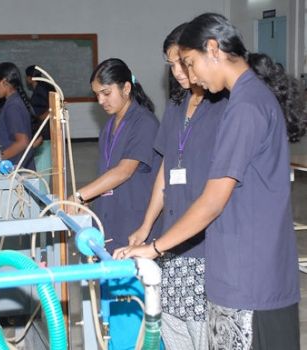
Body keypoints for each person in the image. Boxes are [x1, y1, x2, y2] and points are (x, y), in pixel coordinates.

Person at [115, 13, 305, 350]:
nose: (189, 74)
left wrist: (155, 246)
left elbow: (213, 199)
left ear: (213, 50)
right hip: (238, 269)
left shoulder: (243, 107)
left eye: (189, 63)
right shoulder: (247, 100)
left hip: (249, 278)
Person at [124, 23, 228, 350]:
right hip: (172, 241)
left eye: (183, 62)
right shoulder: (175, 107)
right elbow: (166, 172)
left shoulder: (223, 106)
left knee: (206, 335)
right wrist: (146, 225)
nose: (178, 72)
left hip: (208, 245)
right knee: (171, 326)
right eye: (171, 64)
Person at [72, 58, 162, 349]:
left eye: (106, 92)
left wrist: (79, 196)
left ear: (126, 87)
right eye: (96, 94)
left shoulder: (144, 122)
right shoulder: (110, 126)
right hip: (112, 222)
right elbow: (107, 175)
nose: (101, 100)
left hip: (135, 225)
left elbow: (124, 171)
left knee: (135, 309)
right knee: (112, 309)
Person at [0, 62, 35, 169]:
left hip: (16, 170)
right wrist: (0, 146)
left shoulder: (13, 106)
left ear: (4, 82)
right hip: (17, 167)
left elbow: (22, 142)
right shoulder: (14, 102)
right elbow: (13, 137)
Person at [25, 65, 55, 190]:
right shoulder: (43, 87)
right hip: (44, 133)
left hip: (45, 133)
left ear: (30, 77)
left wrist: (41, 118)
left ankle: (42, 195)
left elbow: (53, 107)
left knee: (43, 168)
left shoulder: (42, 89)